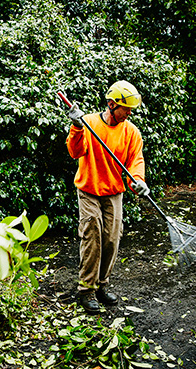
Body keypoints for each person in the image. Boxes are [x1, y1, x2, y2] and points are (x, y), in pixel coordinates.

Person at [65, 80, 150, 314]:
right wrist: (76, 126)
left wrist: (139, 181)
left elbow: (136, 160)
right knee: (92, 236)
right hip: (89, 190)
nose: (129, 113)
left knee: (112, 240)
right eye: (126, 108)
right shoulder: (89, 123)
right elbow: (75, 152)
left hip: (113, 192)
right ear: (112, 104)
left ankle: (101, 285)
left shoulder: (131, 132)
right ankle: (86, 290)